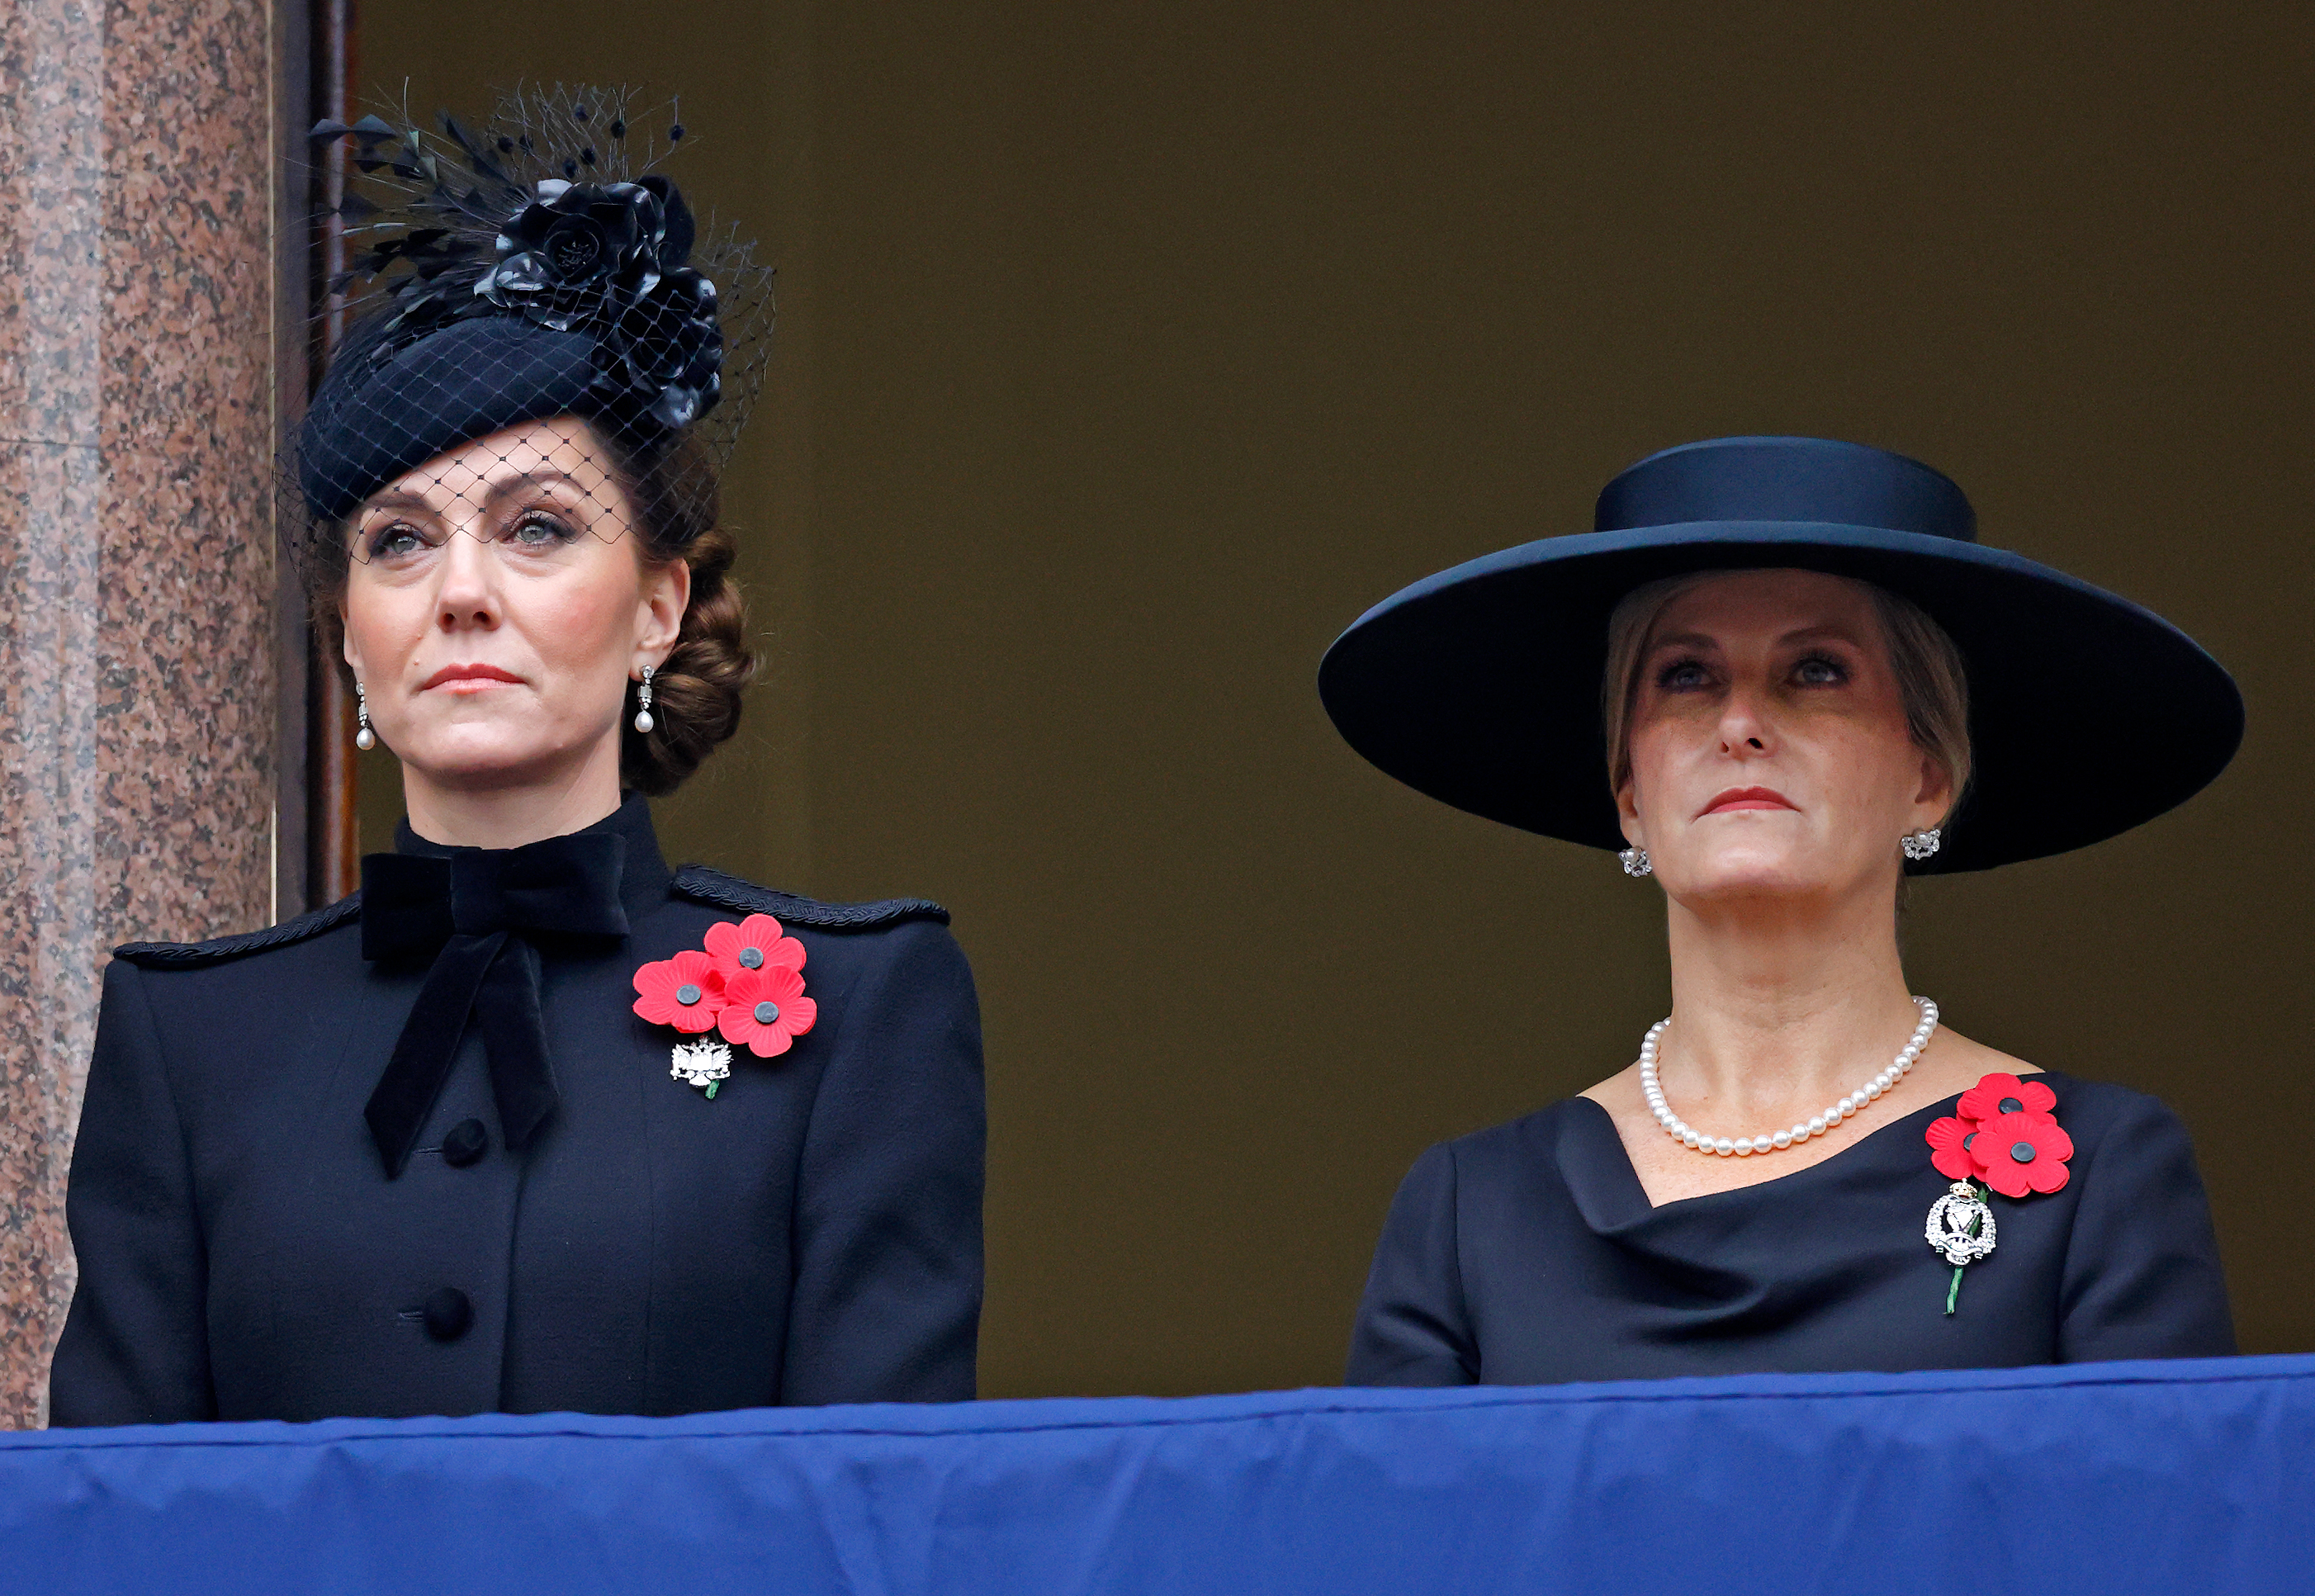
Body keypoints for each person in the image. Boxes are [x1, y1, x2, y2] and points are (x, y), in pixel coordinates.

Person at [50, 88, 983, 1425]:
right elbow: (119, 1535)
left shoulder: (864, 1012)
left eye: (538, 527)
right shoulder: (191, 1042)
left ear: (658, 605)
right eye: (399, 539)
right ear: (350, 641)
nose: (461, 591)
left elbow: (880, 1530)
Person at [1318, 435, 2241, 1385]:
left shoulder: (2100, 1172)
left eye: (1815, 672)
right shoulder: (1472, 1208)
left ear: (1927, 778)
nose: (1740, 723)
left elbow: (2155, 1528)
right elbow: (1400, 1534)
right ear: (1629, 793)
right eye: (1685, 675)